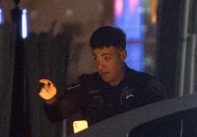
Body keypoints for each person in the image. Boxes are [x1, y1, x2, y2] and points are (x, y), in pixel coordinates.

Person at [39, 25, 167, 127]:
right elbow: (56, 114)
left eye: (107, 58)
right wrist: (50, 98)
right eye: (96, 58)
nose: (100, 65)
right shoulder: (88, 85)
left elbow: (162, 123)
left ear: (122, 55)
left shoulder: (143, 85)